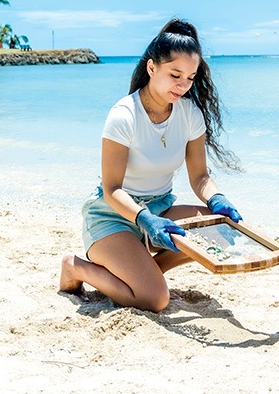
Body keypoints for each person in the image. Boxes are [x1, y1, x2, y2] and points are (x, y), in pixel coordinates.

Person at [59, 19, 242, 312]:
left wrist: (216, 198)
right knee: (155, 299)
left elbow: (200, 176)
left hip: (160, 209)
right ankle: (75, 267)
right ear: (152, 68)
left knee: (223, 230)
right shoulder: (124, 115)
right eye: (175, 75)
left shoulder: (190, 113)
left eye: (191, 78)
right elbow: (112, 189)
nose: (183, 86)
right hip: (114, 217)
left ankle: (148, 271)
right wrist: (145, 220)